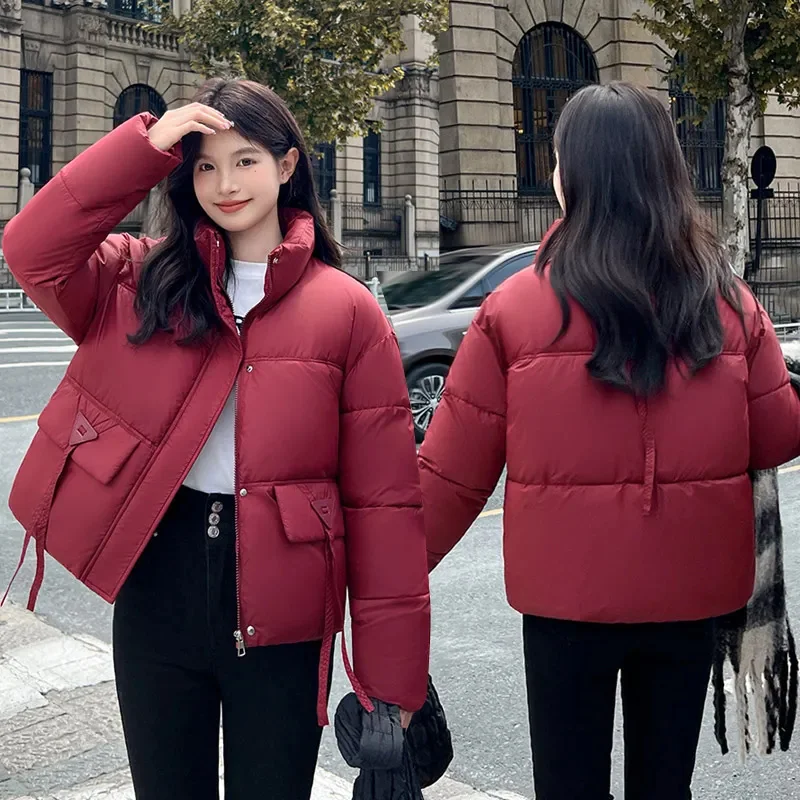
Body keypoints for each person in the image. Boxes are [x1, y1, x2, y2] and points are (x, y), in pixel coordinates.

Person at [2, 78, 430, 799]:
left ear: (289, 165)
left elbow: (384, 507)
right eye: (204, 165)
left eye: (246, 160)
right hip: (157, 590)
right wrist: (142, 149)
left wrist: (391, 684)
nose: (224, 184)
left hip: (286, 611)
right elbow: (32, 248)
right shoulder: (141, 278)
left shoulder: (347, 312)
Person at [417, 81, 800, 800]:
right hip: (692, 594)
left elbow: (451, 478)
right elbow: (777, 435)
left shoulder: (515, 306)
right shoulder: (729, 298)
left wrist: (382, 576)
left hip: (565, 603)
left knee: (568, 786)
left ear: (572, 174)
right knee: (665, 788)